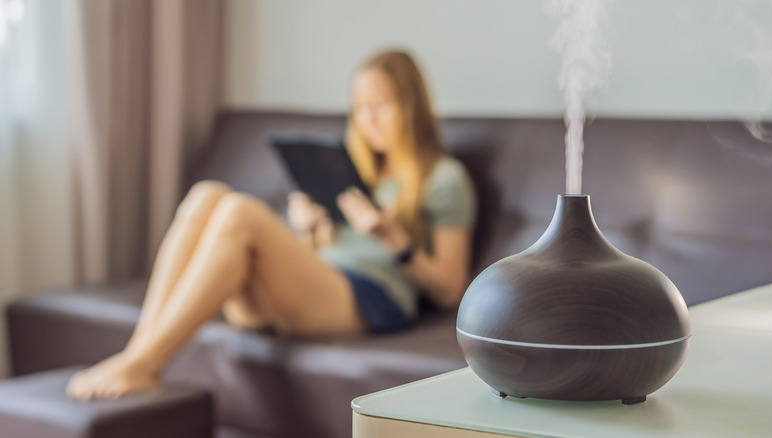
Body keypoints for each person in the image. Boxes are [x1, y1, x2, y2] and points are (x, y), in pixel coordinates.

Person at [66, 49, 477, 400]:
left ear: (412, 106)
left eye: (382, 105)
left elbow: (449, 289)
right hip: (313, 285)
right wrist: (307, 230)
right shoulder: (352, 170)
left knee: (239, 212)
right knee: (206, 195)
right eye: (360, 107)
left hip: (370, 298)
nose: (368, 119)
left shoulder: (442, 177)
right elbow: (317, 256)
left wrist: (394, 240)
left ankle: (143, 363)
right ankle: (137, 354)